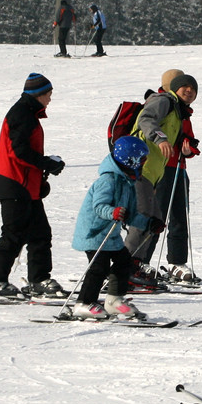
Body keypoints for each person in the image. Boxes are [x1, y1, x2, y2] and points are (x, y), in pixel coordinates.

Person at [0, 73, 67, 299]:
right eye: (48, 94)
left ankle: (39, 280)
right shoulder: (21, 114)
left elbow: (26, 152)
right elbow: (18, 151)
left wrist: (45, 166)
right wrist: (46, 162)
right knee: (13, 234)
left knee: (40, 233)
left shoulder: (28, 113)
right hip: (14, 184)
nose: (50, 99)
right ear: (38, 95)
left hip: (26, 186)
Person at [127, 73, 198, 285]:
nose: (189, 91)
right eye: (183, 85)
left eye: (192, 88)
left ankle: (175, 262)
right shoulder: (162, 102)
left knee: (177, 216)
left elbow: (188, 139)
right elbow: (146, 122)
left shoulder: (181, 111)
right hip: (157, 168)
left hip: (176, 167)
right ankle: (138, 262)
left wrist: (187, 151)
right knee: (153, 217)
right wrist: (161, 139)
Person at [70, 137, 151, 319]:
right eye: (142, 159)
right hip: (94, 233)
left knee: (124, 262)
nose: (144, 163)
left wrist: (148, 224)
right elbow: (99, 206)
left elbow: (130, 213)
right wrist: (113, 212)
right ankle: (83, 303)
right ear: (131, 160)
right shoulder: (107, 180)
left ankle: (114, 301)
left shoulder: (128, 182)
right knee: (98, 267)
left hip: (111, 236)